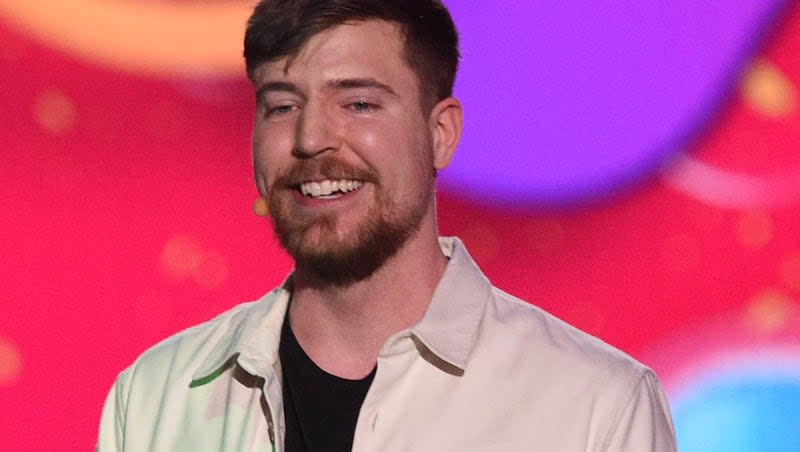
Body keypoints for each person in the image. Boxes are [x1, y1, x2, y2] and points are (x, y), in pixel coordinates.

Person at [97, 0, 676, 450]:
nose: (310, 139)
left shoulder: (596, 407)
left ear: (441, 134)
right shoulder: (153, 398)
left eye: (359, 104)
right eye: (281, 105)